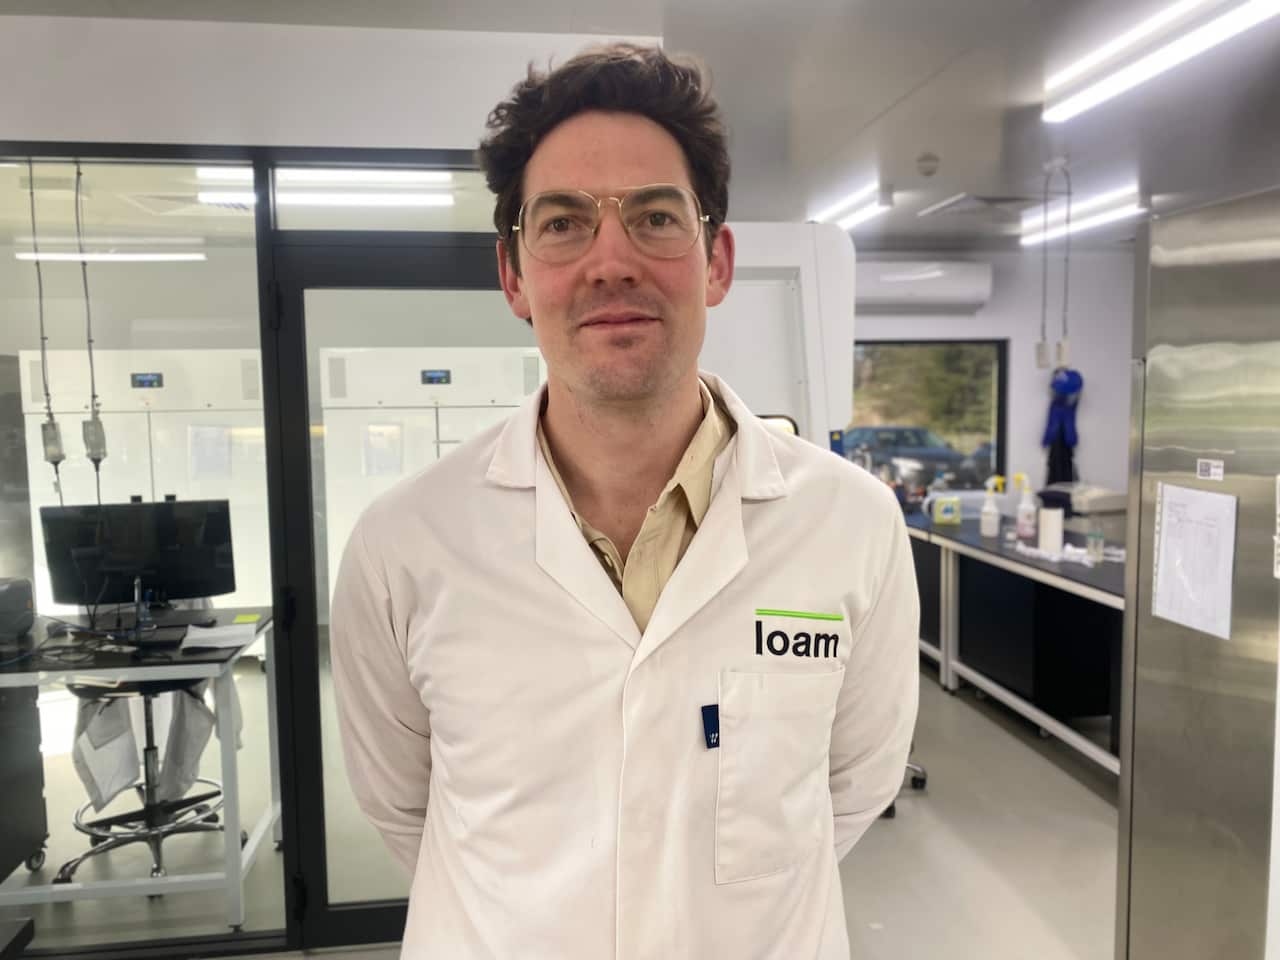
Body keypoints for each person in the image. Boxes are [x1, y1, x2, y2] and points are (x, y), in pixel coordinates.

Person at [331, 42, 919, 959]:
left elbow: (855, 784)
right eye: (563, 223)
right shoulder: (405, 545)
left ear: (716, 261)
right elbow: (403, 807)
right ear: (515, 276)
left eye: (653, 217)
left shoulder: (851, 525)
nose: (612, 261)